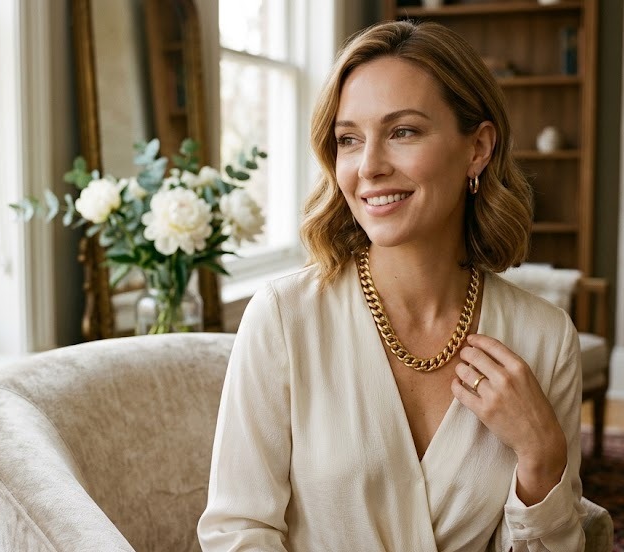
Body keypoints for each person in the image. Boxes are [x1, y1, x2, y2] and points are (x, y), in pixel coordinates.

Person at [198, 19, 585, 552]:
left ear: (477, 148)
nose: (369, 166)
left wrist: (542, 457)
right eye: (349, 140)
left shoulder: (544, 340)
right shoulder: (284, 319)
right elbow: (236, 533)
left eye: (403, 131)